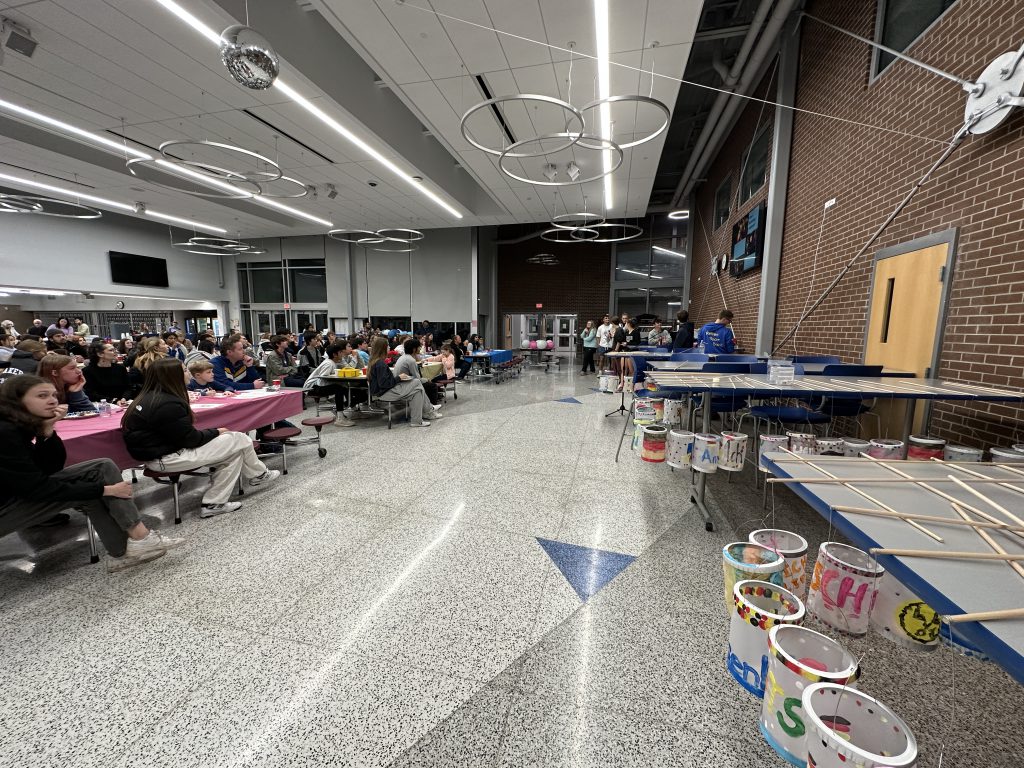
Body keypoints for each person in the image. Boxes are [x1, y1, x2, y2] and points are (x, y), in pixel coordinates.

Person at [0, 375, 182, 571]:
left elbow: (51, 469)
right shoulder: (5, 432)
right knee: (91, 489)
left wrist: (48, 429)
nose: (52, 400)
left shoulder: (19, 425)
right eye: (42, 396)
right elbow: (36, 488)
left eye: (54, 395)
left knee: (100, 469)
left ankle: (131, 547)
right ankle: (138, 541)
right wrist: (105, 490)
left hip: (17, 495)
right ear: (16, 400)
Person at [122, 358, 280, 518]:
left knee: (235, 453)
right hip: (167, 458)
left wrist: (213, 433)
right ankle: (259, 474)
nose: (188, 373)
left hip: (162, 454)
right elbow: (190, 439)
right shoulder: (166, 404)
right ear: (172, 376)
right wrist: (216, 432)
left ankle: (214, 504)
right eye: (184, 370)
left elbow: (181, 435)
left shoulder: (148, 398)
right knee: (238, 439)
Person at [367, 337, 439, 428]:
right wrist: (399, 378)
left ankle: (417, 420)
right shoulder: (380, 363)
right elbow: (384, 384)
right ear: (383, 348)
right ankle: (428, 410)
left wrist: (399, 378)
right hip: (385, 392)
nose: (389, 347)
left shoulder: (375, 361)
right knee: (417, 382)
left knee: (417, 392)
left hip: (382, 392)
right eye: (387, 345)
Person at [302, 342, 356, 427]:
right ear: (335, 355)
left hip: (318, 385)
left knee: (343, 387)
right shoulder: (329, 363)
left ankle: (341, 410)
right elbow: (322, 378)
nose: (342, 354)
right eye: (340, 352)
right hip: (312, 388)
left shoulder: (332, 362)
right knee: (339, 388)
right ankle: (340, 418)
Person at [395, 338, 443, 406]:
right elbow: (417, 379)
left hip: (401, 384)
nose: (420, 348)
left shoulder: (403, 357)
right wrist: (427, 380)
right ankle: (431, 408)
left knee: (427, 383)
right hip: (404, 385)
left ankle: (427, 405)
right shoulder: (411, 360)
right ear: (414, 349)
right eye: (419, 347)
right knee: (432, 386)